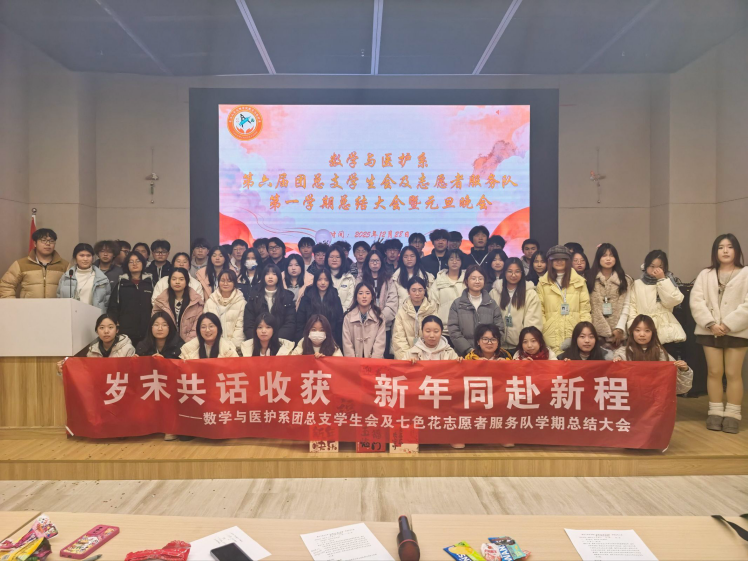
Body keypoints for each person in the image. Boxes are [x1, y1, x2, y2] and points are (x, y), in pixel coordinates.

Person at [690, 234, 748, 434]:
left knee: (733, 373)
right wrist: (711, 324)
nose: (725, 251)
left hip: (738, 331)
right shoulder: (705, 274)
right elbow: (696, 301)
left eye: (730, 247)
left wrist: (729, 324)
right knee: (714, 372)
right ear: (715, 252)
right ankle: (715, 412)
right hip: (709, 330)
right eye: (721, 247)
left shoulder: (746, 273)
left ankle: (732, 414)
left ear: (737, 250)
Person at [613, 314, 693, 395]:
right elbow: (614, 383)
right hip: (630, 398)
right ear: (631, 332)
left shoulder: (660, 353)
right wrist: (616, 366)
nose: (642, 334)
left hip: (654, 399)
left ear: (653, 333)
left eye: (647, 330)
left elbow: (680, 388)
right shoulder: (622, 353)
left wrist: (684, 370)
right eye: (637, 330)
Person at [628, 249, 686, 356]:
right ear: (646, 266)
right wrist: (633, 328)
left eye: (660, 267)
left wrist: (662, 280)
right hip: (644, 331)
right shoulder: (637, 284)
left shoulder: (668, 281)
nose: (656, 270)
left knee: (667, 362)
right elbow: (632, 307)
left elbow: (672, 301)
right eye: (652, 266)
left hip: (666, 331)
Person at [536, 245, 591, 354]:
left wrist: (584, 332)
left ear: (568, 261)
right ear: (550, 261)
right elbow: (539, 311)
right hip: (550, 334)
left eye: (563, 259)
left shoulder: (579, 282)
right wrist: (546, 327)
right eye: (555, 259)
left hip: (575, 333)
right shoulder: (542, 283)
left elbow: (585, 309)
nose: (559, 261)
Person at [448, 265, 505, 357]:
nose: (477, 281)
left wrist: (488, 349)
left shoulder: (491, 303)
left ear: (484, 281)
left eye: (480, 278)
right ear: (466, 281)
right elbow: (453, 331)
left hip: (488, 355)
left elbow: (499, 329)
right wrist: (469, 350)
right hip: (463, 355)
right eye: (473, 278)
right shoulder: (457, 304)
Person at [489, 257, 542, 356]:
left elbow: (532, 322)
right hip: (497, 346)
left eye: (517, 271)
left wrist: (526, 344)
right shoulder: (494, 292)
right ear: (504, 272)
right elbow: (490, 319)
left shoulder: (530, 294)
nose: (513, 275)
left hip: (521, 347)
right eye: (510, 271)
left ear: (522, 273)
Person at [587, 243, 632, 350]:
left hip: (617, 334)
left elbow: (626, 305)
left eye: (611, 255)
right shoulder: (588, 278)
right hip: (594, 333)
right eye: (604, 255)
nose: (608, 259)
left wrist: (620, 328)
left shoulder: (625, 280)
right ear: (598, 258)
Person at [0, 228, 68, 298]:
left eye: (51, 241)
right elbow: (6, 286)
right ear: (35, 243)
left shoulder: (65, 265)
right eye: (43, 240)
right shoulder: (20, 264)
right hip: (28, 305)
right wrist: (13, 303)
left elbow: (71, 289)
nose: (48, 244)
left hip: (56, 305)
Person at [56, 313, 136, 373]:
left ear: (117, 330)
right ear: (97, 331)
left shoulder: (127, 349)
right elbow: (86, 378)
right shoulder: (92, 352)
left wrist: (136, 366)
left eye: (110, 327)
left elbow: (133, 377)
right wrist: (64, 370)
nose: (106, 331)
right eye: (101, 328)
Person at [108, 251, 154, 346]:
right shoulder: (121, 284)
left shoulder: (151, 283)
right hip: (126, 331)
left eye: (138, 261)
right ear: (127, 265)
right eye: (131, 262)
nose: (134, 264)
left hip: (147, 331)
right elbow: (113, 307)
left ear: (143, 263)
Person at [357, 250, 398, 354]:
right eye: (372, 261)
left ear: (381, 262)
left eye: (377, 261)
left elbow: (392, 302)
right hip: (365, 325)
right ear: (367, 263)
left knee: (381, 356)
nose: (375, 263)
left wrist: (380, 318)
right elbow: (357, 300)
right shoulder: (360, 279)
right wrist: (370, 318)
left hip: (384, 325)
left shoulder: (389, 280)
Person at [243, 263, 296, 341]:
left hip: (281, 341)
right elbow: (249, 324)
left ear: (279, 277)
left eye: (274, 274)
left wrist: (275, 340)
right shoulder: (254, 297)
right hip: (258, 341)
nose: (270, 277)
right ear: (263, 277)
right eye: (267, 274)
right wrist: (260, 340)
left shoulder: (287, 297)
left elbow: (290, 324)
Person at [151, 267, 203, 342]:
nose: (177, 282)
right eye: (174, 279)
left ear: (187, 281)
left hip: (189, 344)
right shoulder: (160, 301)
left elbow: (197, 327)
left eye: (181, 279)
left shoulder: (196, 302)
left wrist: (185, 345)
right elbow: (155, 323)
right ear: (169, 281)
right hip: (166, 343)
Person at [391, 277, 438, 360]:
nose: (417, 293)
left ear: (424, 291)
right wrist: (408, 358)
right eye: (413, 290)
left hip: (427, 358)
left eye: (420, 290)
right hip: (406, 359)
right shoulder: (402, 312)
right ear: (408, 292)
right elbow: (398, 338)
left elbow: (434, 335)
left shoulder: (431, 310)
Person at [296, 268, 344, 347]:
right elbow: (300, 322)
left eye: (326, 280)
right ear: (315, 281)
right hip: (310, 337)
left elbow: (339, 321)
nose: (323, 283)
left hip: (331, 338)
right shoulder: (307, 297)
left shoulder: (335, 297)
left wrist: (337, 342)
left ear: (330, 281)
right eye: (319, 279)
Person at [57, 243, 111, 312]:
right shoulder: (66, 277)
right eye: (81, 255)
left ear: (92, 257)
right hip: (71, 314)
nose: (85, 259)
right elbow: (59, 297)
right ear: (75, 257)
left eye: (88, 256)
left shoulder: (102, 279)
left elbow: (106, 302)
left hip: (94, 315)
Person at [202, 269, 246, 349]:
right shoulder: (210, 302)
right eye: (222, 280)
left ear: (234, 283)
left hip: (234, 348)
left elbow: (240, 328)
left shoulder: (242, 303)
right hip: (213, 346)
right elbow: (205, 325)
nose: (225, 284)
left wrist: (230, 347)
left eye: (229, 281)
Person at [342, 283, 386, 358]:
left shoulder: (379, 317)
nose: (364, 296)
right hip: (354, 361)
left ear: (372, 297)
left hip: (374, 362)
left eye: (367, 293)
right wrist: (353, 362)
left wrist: (373, 362)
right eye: (360, 293)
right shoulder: (348, 317)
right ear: (356, 297)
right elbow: (347, 344)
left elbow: (380, 343)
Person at [431, 249, 465, 327]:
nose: (454, 262)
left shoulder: (467, 280)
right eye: (451, 259)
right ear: (447, 262)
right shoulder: (439, 281)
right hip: (443, 326)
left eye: (458, 259)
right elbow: (433, 304)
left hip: (463, 326)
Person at [326, 245, 356, 310]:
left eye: (337, 257)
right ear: (327, 259)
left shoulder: (349, 278)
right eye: (331, 257)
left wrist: (340, 312)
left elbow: (351, 299)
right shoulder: (321, 277)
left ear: (342, 259)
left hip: (345, 314)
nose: (334, 260)